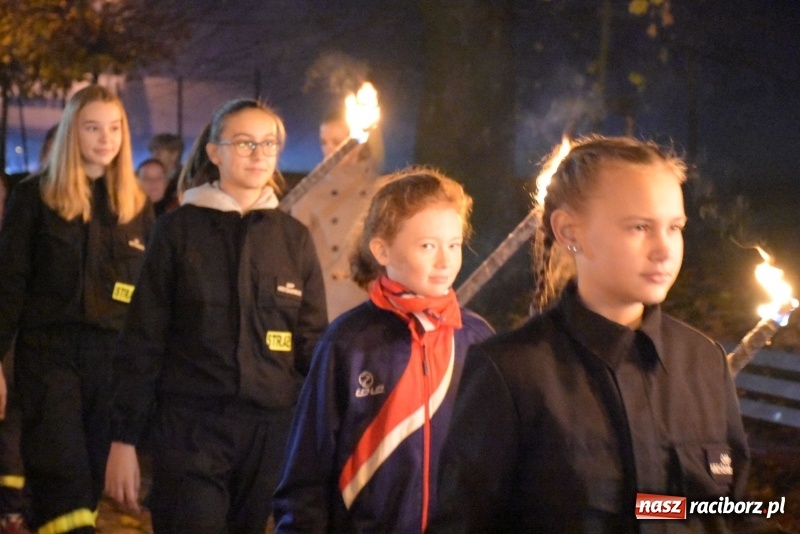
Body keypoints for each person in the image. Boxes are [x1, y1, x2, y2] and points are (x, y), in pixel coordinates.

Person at [425, 135, 751, 533]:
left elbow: (729, 512)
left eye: (674, 227)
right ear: (569, 231)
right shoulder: (512, 373)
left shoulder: (703, 362)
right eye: (639, 227)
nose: (664, 249)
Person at [105, 98, 328, 534]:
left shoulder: (294, 238)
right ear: (214, 152)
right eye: (245, 143)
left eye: (269, 143)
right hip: (190, 429)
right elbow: (142, 339)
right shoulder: (177, 231)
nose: (259, 154)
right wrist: (123, 438)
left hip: (267, 434)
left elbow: (312, 344)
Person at [273, 167, 495, 533]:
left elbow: (497, 462)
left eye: (454, 245)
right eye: (427, 246)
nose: (445, 261)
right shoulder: (348, 343)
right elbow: (306, 474)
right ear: (382, 250)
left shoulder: (477, 339)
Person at [0, 84, 152, 534]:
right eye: (92, 128)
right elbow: (8, 287)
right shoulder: (35, 197)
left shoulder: (136, 207)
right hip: (49, 362)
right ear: (72, 131)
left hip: (110, 368)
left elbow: (147, 305)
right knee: (61, 477)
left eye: (114, 128)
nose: (106, 139)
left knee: (86, 486)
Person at [289, 109, 383, 321]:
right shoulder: (309, 191)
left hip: (365, 299)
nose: (329, 149)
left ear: (359, 143)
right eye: (324, 142)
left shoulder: (379, 191)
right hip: (323, 300)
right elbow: (294, 252)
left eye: (337, 141)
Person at [147, 133, 184, 215]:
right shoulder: (144, 176)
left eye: (158, 152)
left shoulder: (185, 181)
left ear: (174, 155)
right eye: (152, 152)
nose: (154, 156)